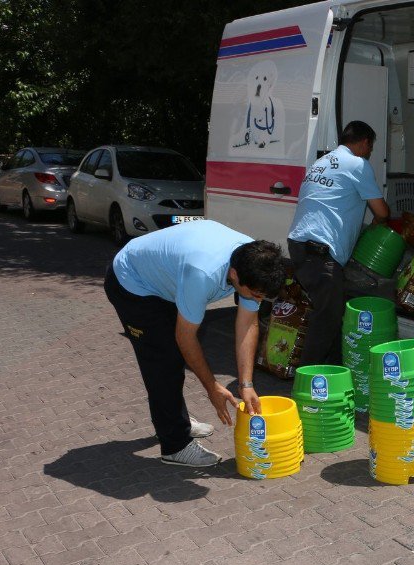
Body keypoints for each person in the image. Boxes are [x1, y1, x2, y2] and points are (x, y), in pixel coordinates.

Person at [104, 220, 289, 467]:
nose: (258, 300)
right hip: (132, 282)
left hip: (166, 278)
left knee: (173, 354)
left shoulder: (253, 262)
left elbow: (247, 325)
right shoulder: (202, 274)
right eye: (255, 295)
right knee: (163, 360)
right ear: (234, 275)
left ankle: (175, 420)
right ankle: (175, 445)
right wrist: (213, 387)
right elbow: (186, 337)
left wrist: (246, 384)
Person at [287, 120, 390, 364]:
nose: (370, 152)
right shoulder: (357, 165)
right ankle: (308, 383)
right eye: (371, 147)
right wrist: (378, 224)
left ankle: (335, 373)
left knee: (332, 314)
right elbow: (382, 212)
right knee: (326, 320)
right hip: (320, 253)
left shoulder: (321, 162)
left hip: (300, 245)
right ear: (364, 142)